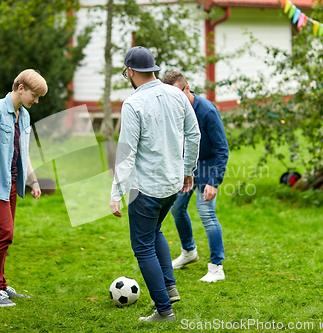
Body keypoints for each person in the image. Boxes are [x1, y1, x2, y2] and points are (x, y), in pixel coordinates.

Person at [110, 47, 200, 322]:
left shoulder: (132, 104)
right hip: (172, 185)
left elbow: (127, 153)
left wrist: (116, 193)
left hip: (146, 189)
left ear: (130, 71)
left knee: (143, 246)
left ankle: (164, 310)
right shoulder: (177, 94)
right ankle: (169, 288)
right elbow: (193, 135)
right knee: (155, 231)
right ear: (154, 69)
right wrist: (188, 171)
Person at [0, 69, 45, 307]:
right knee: (3, 233)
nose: (36, 101)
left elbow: (24, 152)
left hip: (11, 183)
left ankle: (1, 285)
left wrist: (33, 180)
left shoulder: (23, 116)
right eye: (34, 95)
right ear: (20, 88)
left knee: (4, 235)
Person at [162, 71, 229, 282]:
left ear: (187, 88)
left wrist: (213, 181)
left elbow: (222, 149)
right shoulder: (175, 111)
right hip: (186, 168)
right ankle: (189, 252)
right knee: (176, 208)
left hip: (208, 167)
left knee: (206, 213)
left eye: (177, 94)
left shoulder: (208, 111)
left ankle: (217, 267)